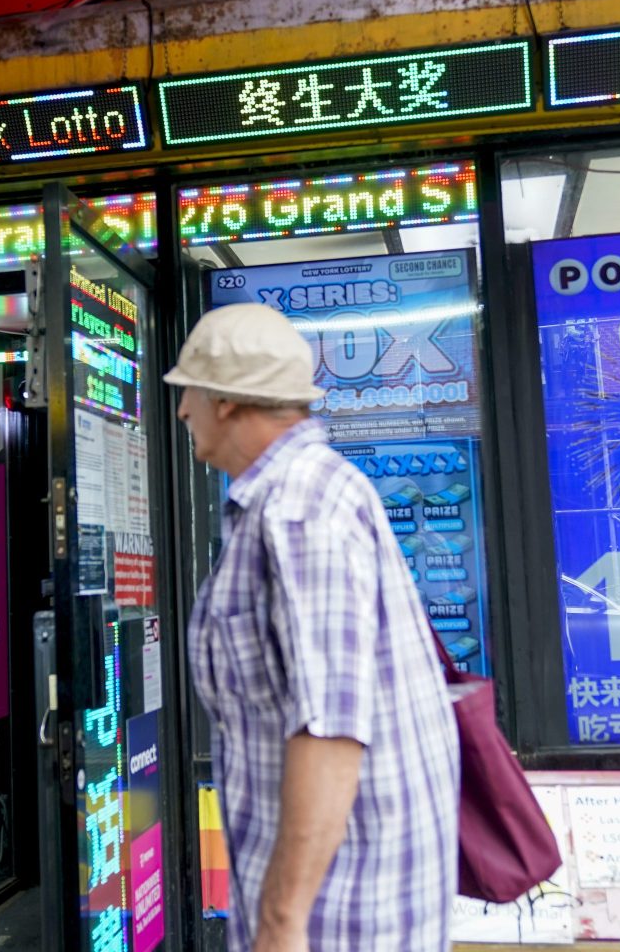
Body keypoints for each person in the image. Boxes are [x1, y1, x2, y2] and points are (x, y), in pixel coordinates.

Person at [166, 303, 460, 952]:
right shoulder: (290, 495)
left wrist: (281, 922)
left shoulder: (300, 508)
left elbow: (330, 728)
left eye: (188, 390)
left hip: (340, 912)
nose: (181, 410)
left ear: (227, 401)